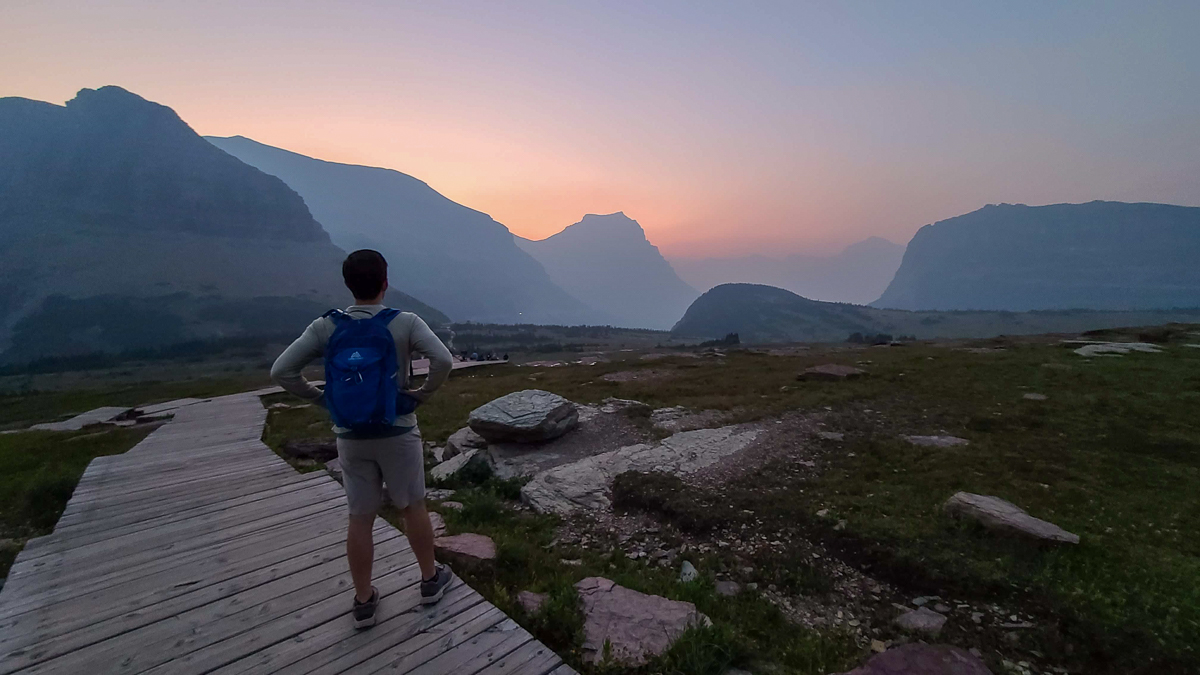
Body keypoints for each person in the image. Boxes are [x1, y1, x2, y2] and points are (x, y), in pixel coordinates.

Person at [271, 249, 454, 629]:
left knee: (360, 517)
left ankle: (364, 600)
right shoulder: (405, 322)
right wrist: (422, 395)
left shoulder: (326, 327)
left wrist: (324, 399)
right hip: (398, 429)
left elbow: (282, 371)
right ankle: (429, 580)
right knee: (412, 507)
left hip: (350, 435)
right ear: (386, 282)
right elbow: (444, 361)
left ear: (347, 284)